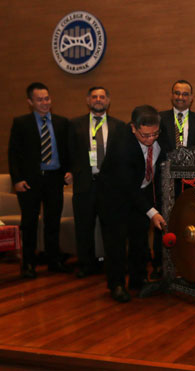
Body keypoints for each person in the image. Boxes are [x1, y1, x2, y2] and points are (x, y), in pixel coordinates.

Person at [98, 105, 168, 302]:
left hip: (140, 193)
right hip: (114, 197)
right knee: (116, 243)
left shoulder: (159, 134)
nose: (150, 139)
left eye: (154, 134)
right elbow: (127, 187)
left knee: (139, 240)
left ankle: (138, 280)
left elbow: (168, 156)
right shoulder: (121, 146)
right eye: (145, 135)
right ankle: (117, 285)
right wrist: (152, 212)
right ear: (133, 128)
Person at [8, 82, 73, 278]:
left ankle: (53, 261)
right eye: (40, 99)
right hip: (30, 182)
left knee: (52, 222)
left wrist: (69, 171)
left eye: (47, 98)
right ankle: (28, 264)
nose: (45, 103)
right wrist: (17, 180)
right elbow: (13, 153)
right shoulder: (21, 123)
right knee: (29, 224)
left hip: (54, 180)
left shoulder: (62, 123)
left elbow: (68, 151)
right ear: (30, 102)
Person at [153, 80, 195, 278]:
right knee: (163, 222)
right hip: (164, 182)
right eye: (177, 93)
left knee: (189, 223)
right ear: (171, 95)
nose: (180, 97)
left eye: (185, 94)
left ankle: (187, 265)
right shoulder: (159, 119)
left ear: (191, 98)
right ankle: (160, 265)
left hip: (191, 184)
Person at [68, 87, 125, 278]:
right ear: (88, 100)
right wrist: (69, 172)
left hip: (110, 186)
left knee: (112, 228)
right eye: (94, 97)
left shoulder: (120, 126)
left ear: (108, 101)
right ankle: (86, 265)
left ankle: (114, 266)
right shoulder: (75, 124)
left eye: (102, 97)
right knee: (83, 227)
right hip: (85, 184)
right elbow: (68, 152)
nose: (98, 100)